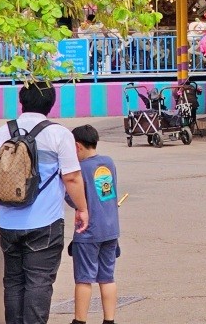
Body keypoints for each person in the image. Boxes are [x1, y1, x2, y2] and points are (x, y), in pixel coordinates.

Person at [0, 82, 89, 324]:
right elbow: (71, 177)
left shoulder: (1, 134)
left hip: (9, 224)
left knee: (14, 282)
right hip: (46, 224)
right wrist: (82, 209)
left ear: (22, 102)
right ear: (51, 104)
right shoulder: (59, 134)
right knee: (39, 282)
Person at [68, 125, 120, 324]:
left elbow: (73, 196)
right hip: (110, 229)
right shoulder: (108, 162)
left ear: (77, 146)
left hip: (88, 232)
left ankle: (80, 320)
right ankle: (109, 319)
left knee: (84, 278)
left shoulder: (80, 169)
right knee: (107, 277)